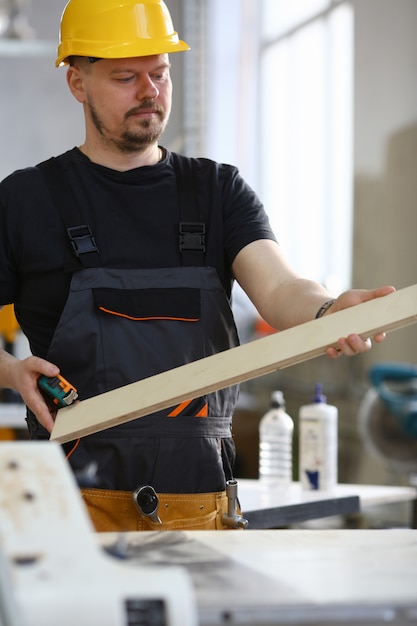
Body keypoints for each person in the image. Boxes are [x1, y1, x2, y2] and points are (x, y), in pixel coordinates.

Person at [0, 0, 394, 532]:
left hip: (202, 513)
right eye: (125, 77)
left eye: (160, 73)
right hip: (67, 517)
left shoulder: (217, 191)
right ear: (77, 82)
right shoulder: (27, 200)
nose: (150, 92)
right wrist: (9, 371)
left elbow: (279, 287)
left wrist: (328, 310)